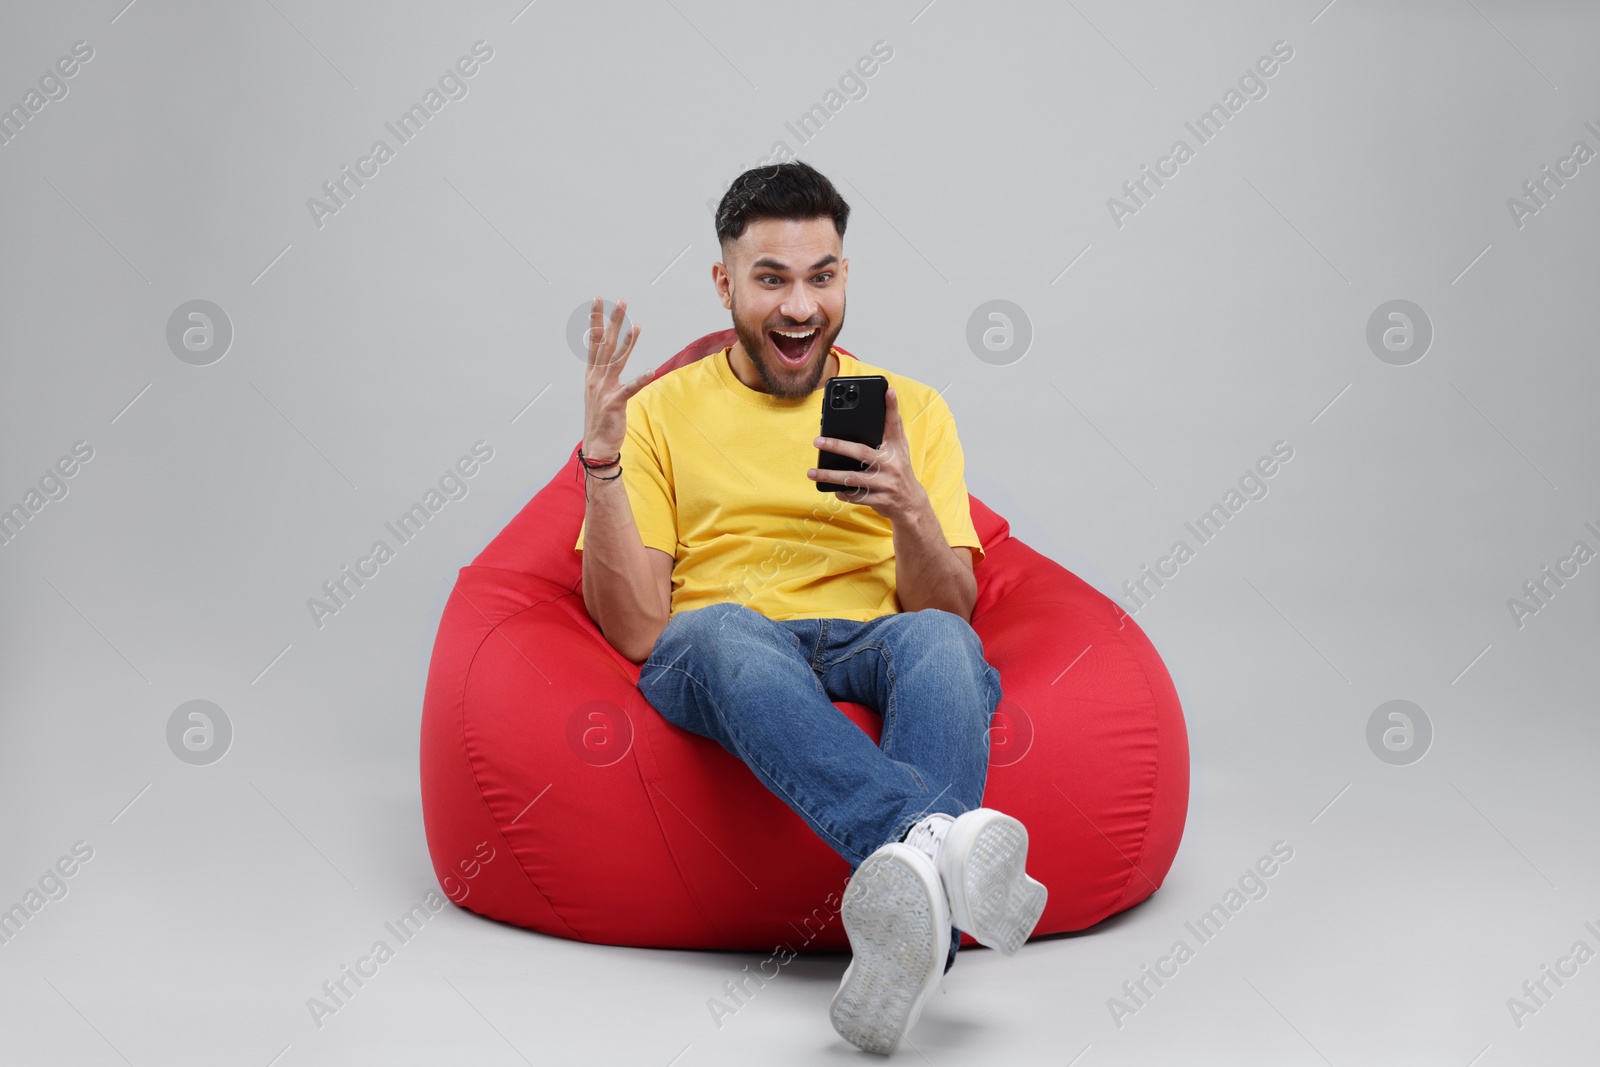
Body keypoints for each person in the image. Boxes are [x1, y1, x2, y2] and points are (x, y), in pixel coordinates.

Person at [572, 160, 1046, 1055]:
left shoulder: (916, 411)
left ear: (844, 276)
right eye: (772, 278)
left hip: (872, 634)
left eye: (821, 276)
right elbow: (637, 628)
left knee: (942, 638)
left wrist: (908, 504)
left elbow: (955, 608)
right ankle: (939, 845)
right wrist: (602, 466)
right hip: (725, 648)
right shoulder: (660, 412)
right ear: (724, 285)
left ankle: (908, 931)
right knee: (719, 627)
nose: (800, 307)